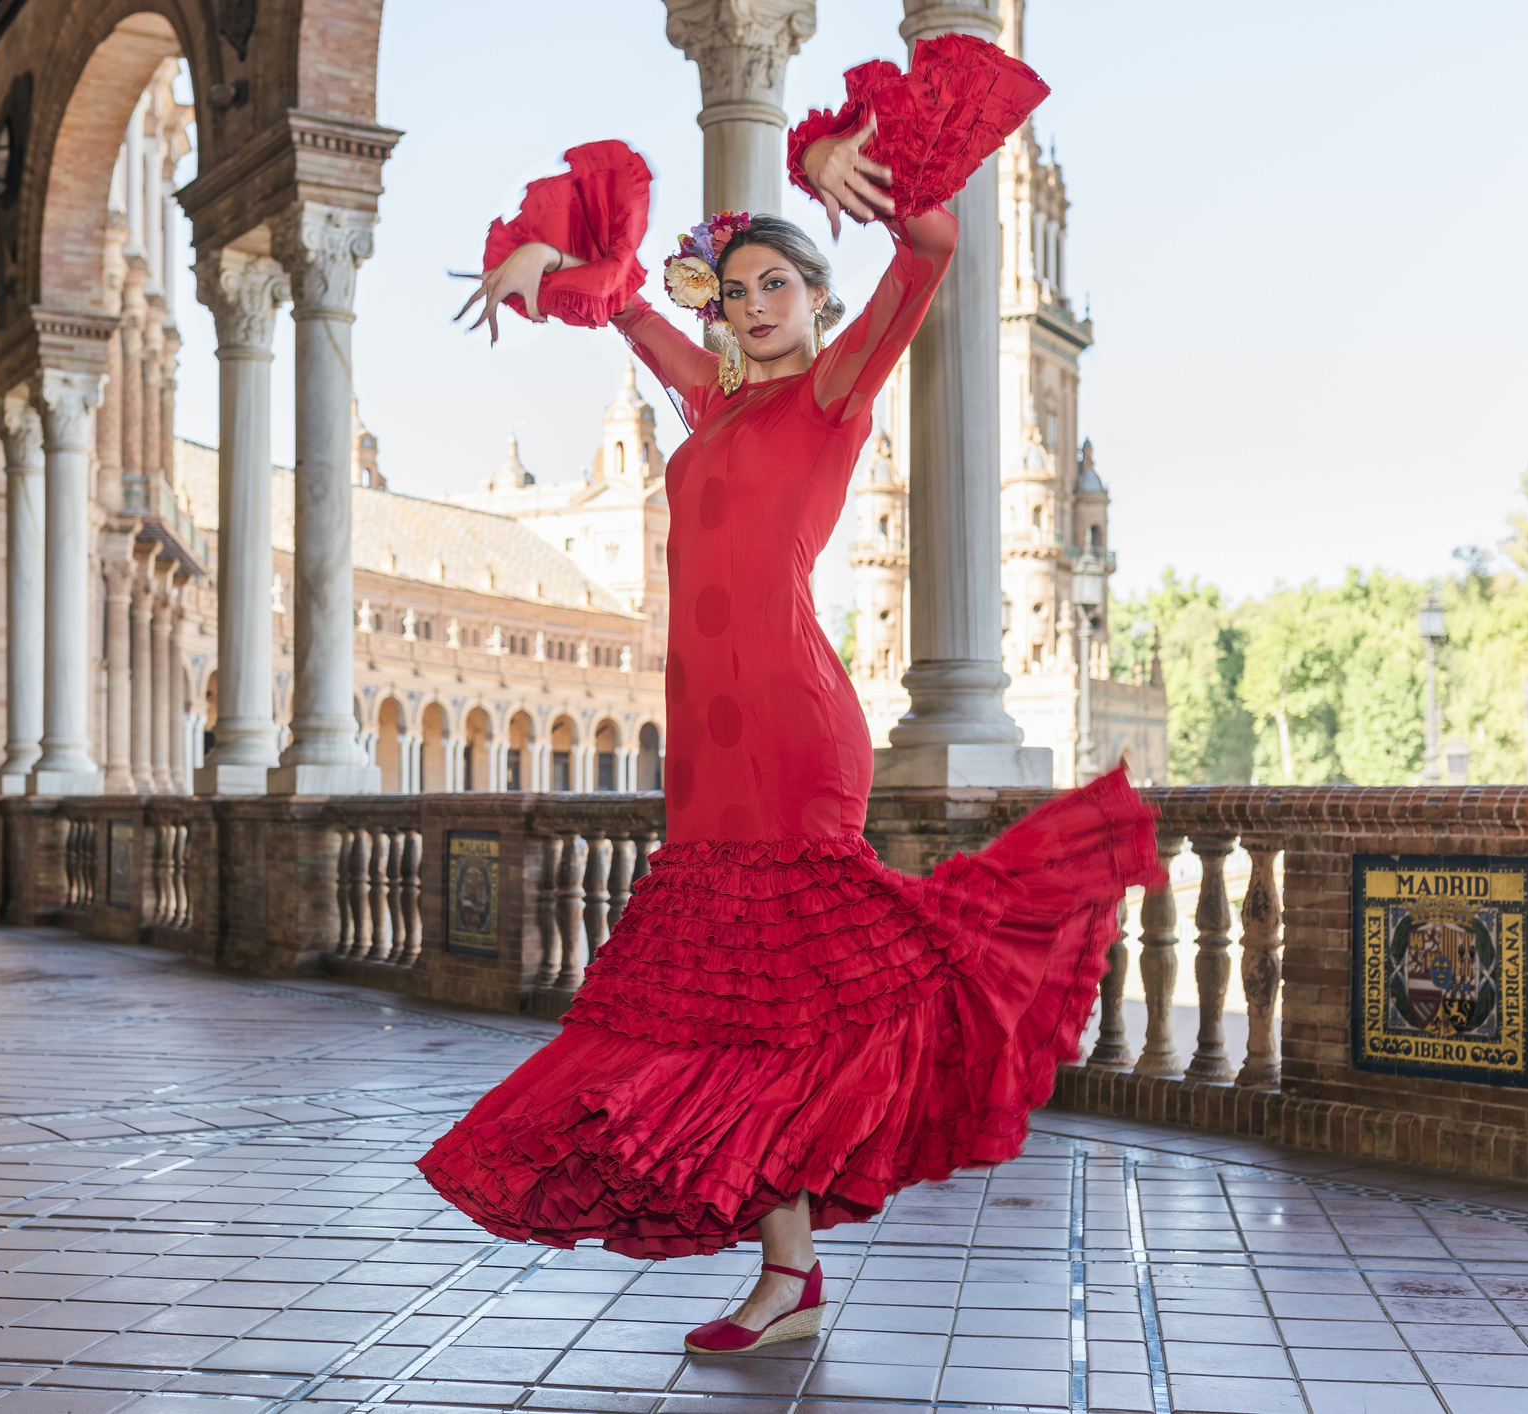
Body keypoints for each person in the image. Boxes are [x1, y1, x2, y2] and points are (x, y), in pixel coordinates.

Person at [419, 34, 1162, 1356]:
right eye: (738, 288)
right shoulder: (706, 403)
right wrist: (534, 272)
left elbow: (927, 253)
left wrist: (831, 158)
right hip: (705, 744)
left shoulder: (828, 398)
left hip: (793, 731)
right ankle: (793, 1267)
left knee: (794, 986)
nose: (755, 303)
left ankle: (790, 1263)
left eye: (779, 283)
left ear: (814, 302)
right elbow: (614, 308)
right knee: (739, 998)